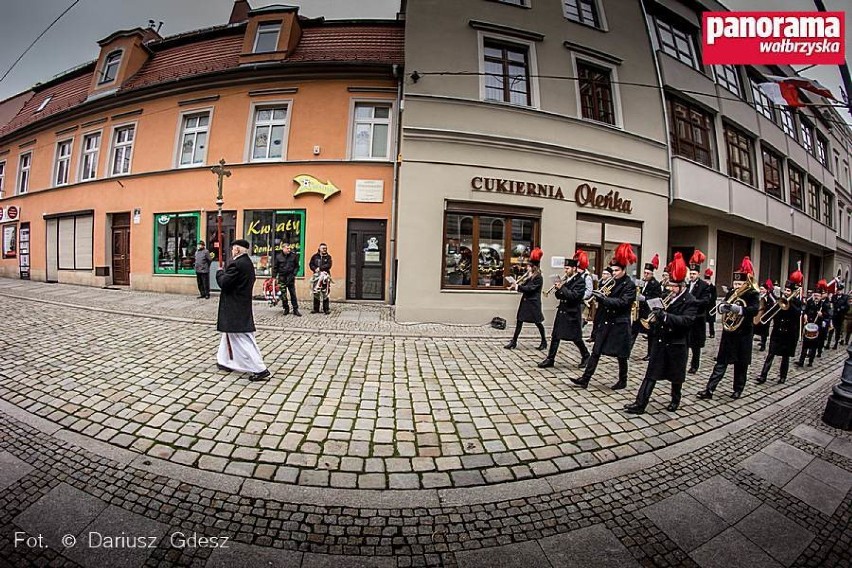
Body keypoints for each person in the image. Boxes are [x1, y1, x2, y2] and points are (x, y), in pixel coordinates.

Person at [624, 252, 697, 414]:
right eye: (669, 285)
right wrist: (655, 318)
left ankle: (675, 399)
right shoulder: (666, 295)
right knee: (651, 374)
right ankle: (640, 403)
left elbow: (687, 321)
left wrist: (665, 316)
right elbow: (659, 313)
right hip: (661, 340)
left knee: (676, 377)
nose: (669, 289)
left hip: (677, 343)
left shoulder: (691, 300)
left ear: (682, 286)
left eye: (673, 286)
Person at [571, 243, 637, 391]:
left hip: (620, 323)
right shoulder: (611, 282)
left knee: (621, 355)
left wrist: (603, 299)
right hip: (607, 322)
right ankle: (585, 379)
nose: (614, 273)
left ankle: (623, 380)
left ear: (624, 270)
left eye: (617, 270)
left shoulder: (629, 285)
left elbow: (623, 302)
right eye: (612, 270)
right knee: (596, 351)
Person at [697, 256, 760, 400]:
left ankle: (738, 389)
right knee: (721, 363)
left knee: (741, 365)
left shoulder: (752, 294)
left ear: (746, 282)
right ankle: (709, 389)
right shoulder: (732, 292)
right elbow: (723, 307)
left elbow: (754, 310)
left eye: (740, 283)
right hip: (729, 334)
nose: (737, 286)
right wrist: (723, 308)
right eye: (735, 283)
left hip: (743, 334)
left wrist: (738, 309)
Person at [216, 239, 270, 381]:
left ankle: (260, 369)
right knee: (228, 335)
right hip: (240, 304)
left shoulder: (237, 264)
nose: (232, 251)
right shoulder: (247, 263)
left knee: (242, 338)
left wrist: (219, 273)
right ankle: (224, 361)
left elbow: (224, 283)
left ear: (238, 250)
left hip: (235, 306)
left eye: (234, 248)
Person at [538, 252, 590, 369]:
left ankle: (586, 355)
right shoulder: (566, 280)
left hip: (572, 313)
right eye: (565, 268)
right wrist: (558, 289)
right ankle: (550, 359)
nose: (565, 270)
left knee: (576, 338)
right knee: (555, 336)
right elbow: (559, 296)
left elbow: (574, 296)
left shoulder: (580, 281)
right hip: (562, 311)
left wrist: (562, 288)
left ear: (574, 269)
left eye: (567, 268)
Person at [758, 268, 803, 384]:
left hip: (789, 334)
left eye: (788, 291)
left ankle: (783, 377)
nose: (786, 292)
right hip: (777, 332)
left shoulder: (797, 302)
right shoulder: (780, 300)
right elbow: (773, 314)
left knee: (785, 357)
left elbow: (798, 313)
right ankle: (763, 376)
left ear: (793, 292)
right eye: (786, 290)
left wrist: (790, 302)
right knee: (770, 354)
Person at [505, 247, 547, 351]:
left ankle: (544, 341)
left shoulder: (538, 277)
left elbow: (530, 289)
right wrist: (514, 286)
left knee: (538, 323)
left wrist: (517, 286)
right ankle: (513, 341)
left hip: (533, 304)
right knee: (519, 321)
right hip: (525, 302)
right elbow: (523, 286)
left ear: (533, 267)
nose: (526, 268)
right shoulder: (529, 276)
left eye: (528, 266)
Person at [686, 250, 713, 374]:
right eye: (690, 273)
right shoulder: (686, 284)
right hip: (687, 317)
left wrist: (693, 301)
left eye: (694, 273)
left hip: (698, 318)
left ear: (698, 273)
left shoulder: (703, 285)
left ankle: (694, 365)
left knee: (696, 346)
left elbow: (706, 301)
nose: (692, 275)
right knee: (686, 342)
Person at [631, 253, 662, 361]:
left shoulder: (656, 284)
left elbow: (656, 298)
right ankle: (627, 350)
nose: (645, 275)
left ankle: (650, 354)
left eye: (648, 273)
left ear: (652, 274)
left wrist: (644, 298)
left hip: (648, 312)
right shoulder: (641, 282)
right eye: (644, 272)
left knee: (651, 335)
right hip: (639, 311)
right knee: (633, 331)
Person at [796, 281, 831, 368]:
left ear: (820, 297)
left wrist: (822, 315)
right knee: (805, 345)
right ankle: (801, 361)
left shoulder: (824, 305)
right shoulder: (810, 302)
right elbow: (805, 310)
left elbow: (828, 315)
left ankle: (810, 361)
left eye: (818, 296)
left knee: (814, 345)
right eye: (815, 295)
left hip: (817, 327)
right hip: (808, 325)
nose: (816, 297)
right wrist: (805, 315)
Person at [272, 242, 301, 316]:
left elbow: (297, 266)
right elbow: (275, 268)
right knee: (283, 295)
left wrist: (294, 274)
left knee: (293, 294)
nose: (289, 249)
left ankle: (295, 309)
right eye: (287, 248)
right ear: (283, 248)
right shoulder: (278, 257)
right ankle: (286, 308)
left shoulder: (293, 256)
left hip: (290, 278)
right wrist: (274, 277)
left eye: (289, 248)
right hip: (282, 278)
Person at [588, 266, 613, 344]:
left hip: (606, 304)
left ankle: (602, 337)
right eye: (603, 273)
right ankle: (593, 336)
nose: (603, 275)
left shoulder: (611, 282)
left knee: (603, 321)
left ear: (610, 275)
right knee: (596, 320)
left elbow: (608, 293)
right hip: (600, 304)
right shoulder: (601, 282)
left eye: (606, 274)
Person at [753, 279, 776, 352]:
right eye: (760, 289)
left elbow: (772, 305)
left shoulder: (769, 297)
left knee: (764, 332)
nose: (761, 290)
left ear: (766, 290)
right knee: (754, 329)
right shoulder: (757, 296)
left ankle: (763, 345)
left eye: (762, 289)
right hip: (757, 315)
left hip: (765, 316)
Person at [309, 243, 333, 314]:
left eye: (325, 248)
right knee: (316, 292)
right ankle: (316, 309)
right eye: (323, 248)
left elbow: (329, 265)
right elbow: (311, 264)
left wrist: (320, 268)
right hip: (316, 276)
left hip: (325, 277)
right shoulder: (315, 256)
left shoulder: (328, 257)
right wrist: (314, 269)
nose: (324, 249)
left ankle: (326, 309)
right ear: (319, 248)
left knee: (325, 292)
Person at [828, 282, 848, 349]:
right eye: (838, 290)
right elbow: (831, 304)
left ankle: (836, 344)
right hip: (833, 315)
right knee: (831, 329)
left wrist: (841, 308)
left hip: (840, 316)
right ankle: (828, 343)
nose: (839, 291)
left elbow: (847, 306)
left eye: (840, 290)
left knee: (838, 331)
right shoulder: (834, 296)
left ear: (842, 290)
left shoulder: (845, 297)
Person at [704, 268, 718, 338]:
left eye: (707, 281)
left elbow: (714, 297)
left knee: (711, 322)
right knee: (703, 321)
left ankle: (712, 333)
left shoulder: (713, 287)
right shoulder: (703, 286)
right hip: (704, 306)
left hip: (711, 306)